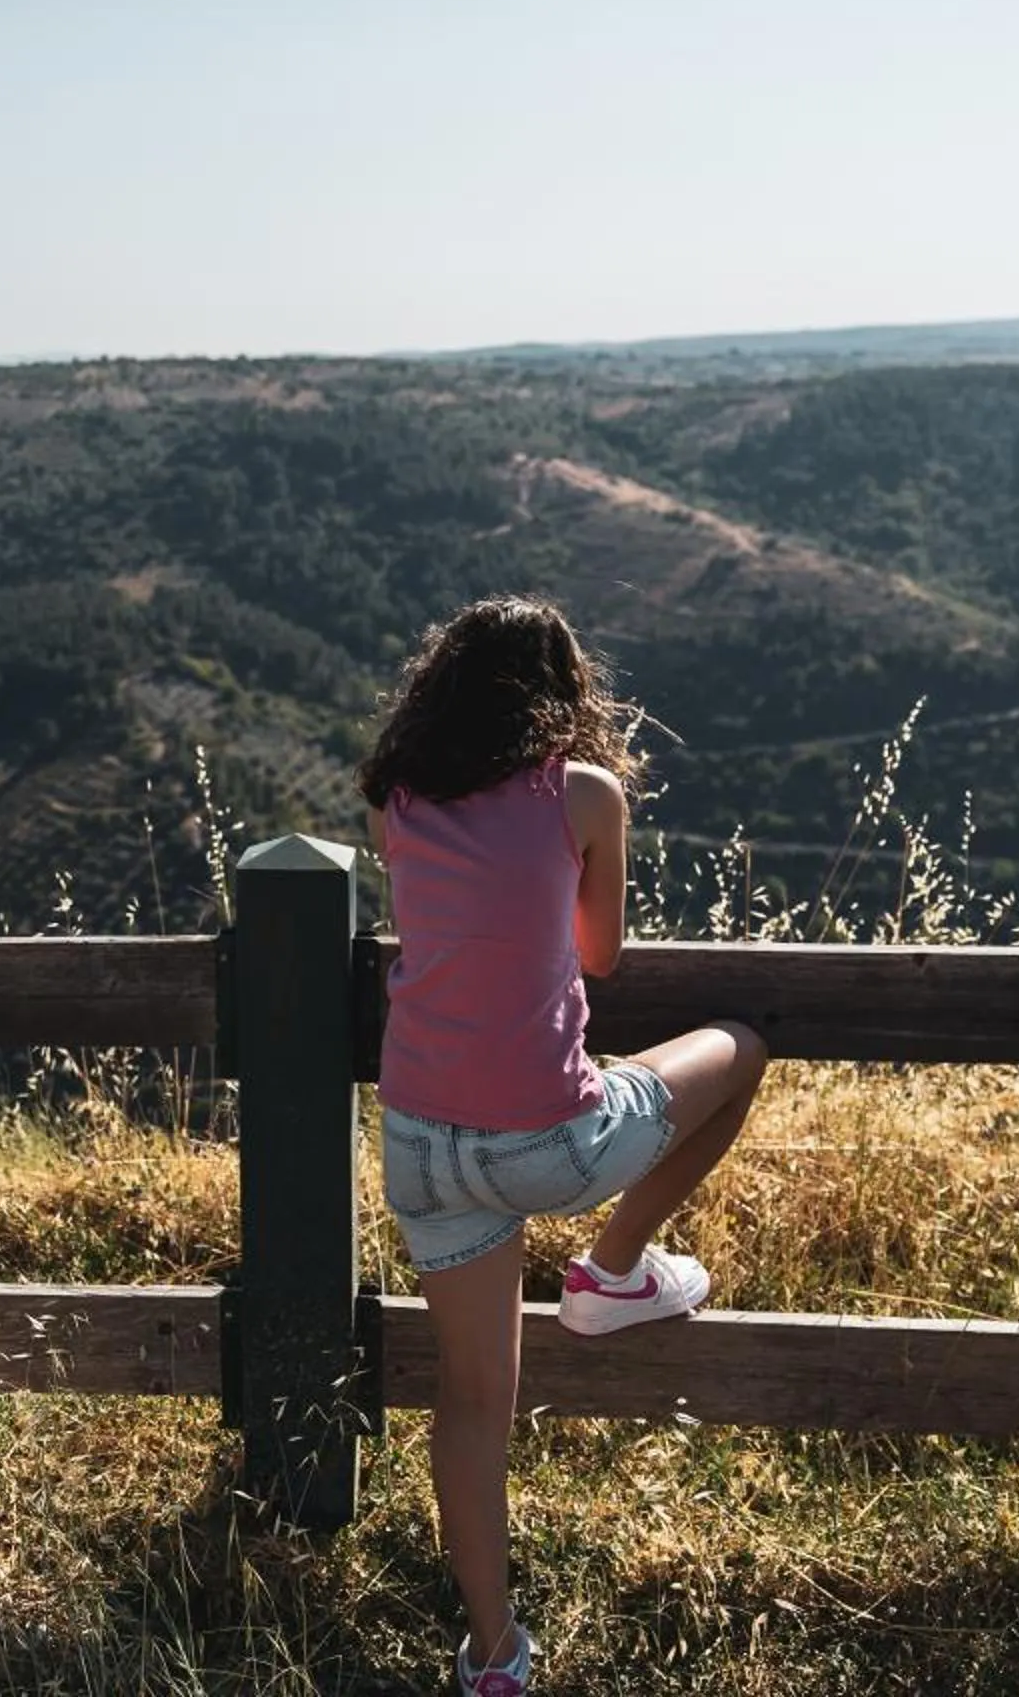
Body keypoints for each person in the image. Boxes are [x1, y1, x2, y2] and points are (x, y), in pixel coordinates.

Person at [361, 596, 769, 1697]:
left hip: (420, 1147)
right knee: (739, 1048)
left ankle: (494, 1656)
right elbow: (602, 954)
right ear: (564, 693)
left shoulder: (399, 802)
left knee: (472, 1398)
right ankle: (615, 1267)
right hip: (552, 1137)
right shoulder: (583, 794)